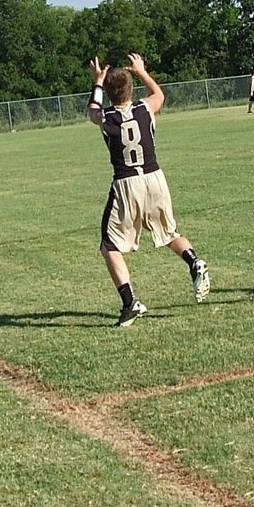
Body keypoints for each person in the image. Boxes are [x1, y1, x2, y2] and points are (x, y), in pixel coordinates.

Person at [86, 53, 211, 327]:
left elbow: (92, 108)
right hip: (155, 177)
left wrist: (97, 81)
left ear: (108, 93)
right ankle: (194, 262)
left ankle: (130, 301)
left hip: (126, 181)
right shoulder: (145, 108)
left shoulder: (106, 117)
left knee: (110, 245)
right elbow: (159, 94)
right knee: (169, 232)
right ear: (131, 89)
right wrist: (141, 71)